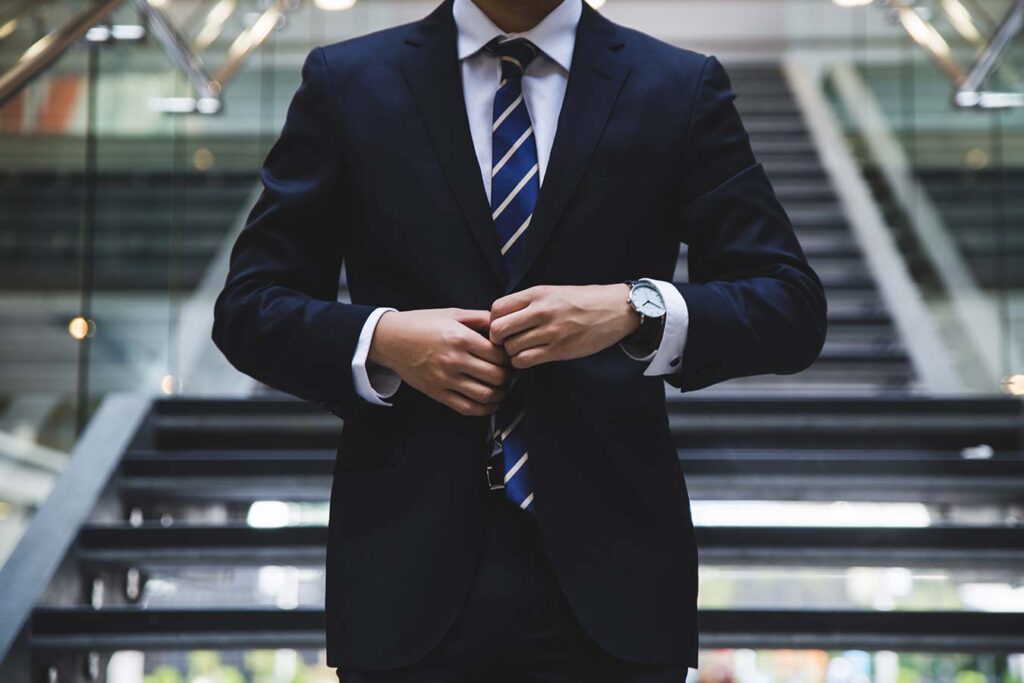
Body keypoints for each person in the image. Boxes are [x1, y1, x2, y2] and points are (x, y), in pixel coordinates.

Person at [211, 0, 827, 680]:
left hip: (615, 585)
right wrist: (384, 338)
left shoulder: (677, 85)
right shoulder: (349, 81)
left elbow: (788, 304)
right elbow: (248, 306)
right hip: (404, 576)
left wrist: (634, 306)